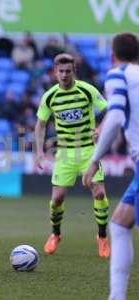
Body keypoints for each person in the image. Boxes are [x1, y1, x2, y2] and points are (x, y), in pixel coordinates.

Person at [35, 53, 110, 257]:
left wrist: (101, 128)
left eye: (68, 71)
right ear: (55, 72)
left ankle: (102, 237)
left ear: (74, 71)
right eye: (61, 72)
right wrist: (39, 152)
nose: (65, 75)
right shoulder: (50, 96)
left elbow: (110, 110)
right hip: (65, 153)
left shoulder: (87, 90)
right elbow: (40, 124)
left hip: (88, 150)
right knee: (57, 199)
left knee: (99, 193)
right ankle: (55, 233)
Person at [83, 32, 139, 300]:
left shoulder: (119, 74)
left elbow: (115, 116)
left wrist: (94, 160)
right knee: (119, 224)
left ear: (112, 55)